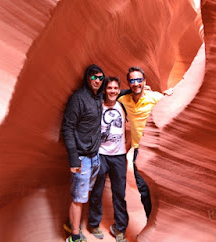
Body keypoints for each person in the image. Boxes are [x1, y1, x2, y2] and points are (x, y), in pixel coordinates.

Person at [118, 66, 173, 219]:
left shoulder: (154, 97)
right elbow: (110, 94)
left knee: (161, 190)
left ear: (144, 81)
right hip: (138, 151)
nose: (136, 84)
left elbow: (172, 106)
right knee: (143, 190)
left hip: (156, 150)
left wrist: (170, 95)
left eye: (139, 80)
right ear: (128, 83)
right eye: (132, 81)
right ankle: (151, 222)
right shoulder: (124, 99)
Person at [62, 64, 105, 242]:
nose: (97, 81)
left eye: (100, 78)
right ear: (88, 78)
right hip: (81, 158)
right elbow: (67, 128)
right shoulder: (78, 98)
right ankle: (74, 236)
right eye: (94, 77)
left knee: (83, 194)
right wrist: (74, 159)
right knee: (79, 198)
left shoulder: (97, 98)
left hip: (94, 157)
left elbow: (115, 92)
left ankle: (71, 223)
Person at [88, 77, 129, 242]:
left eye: (115, 88)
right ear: (104, 90)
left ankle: (120, 228)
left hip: (119, 156)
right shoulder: (98, 106)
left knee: (119, 193)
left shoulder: (122, 105)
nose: (112, 91)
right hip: (101, 155)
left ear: (119, 90)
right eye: (109, 88)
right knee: (97, 191)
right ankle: (94, 223)